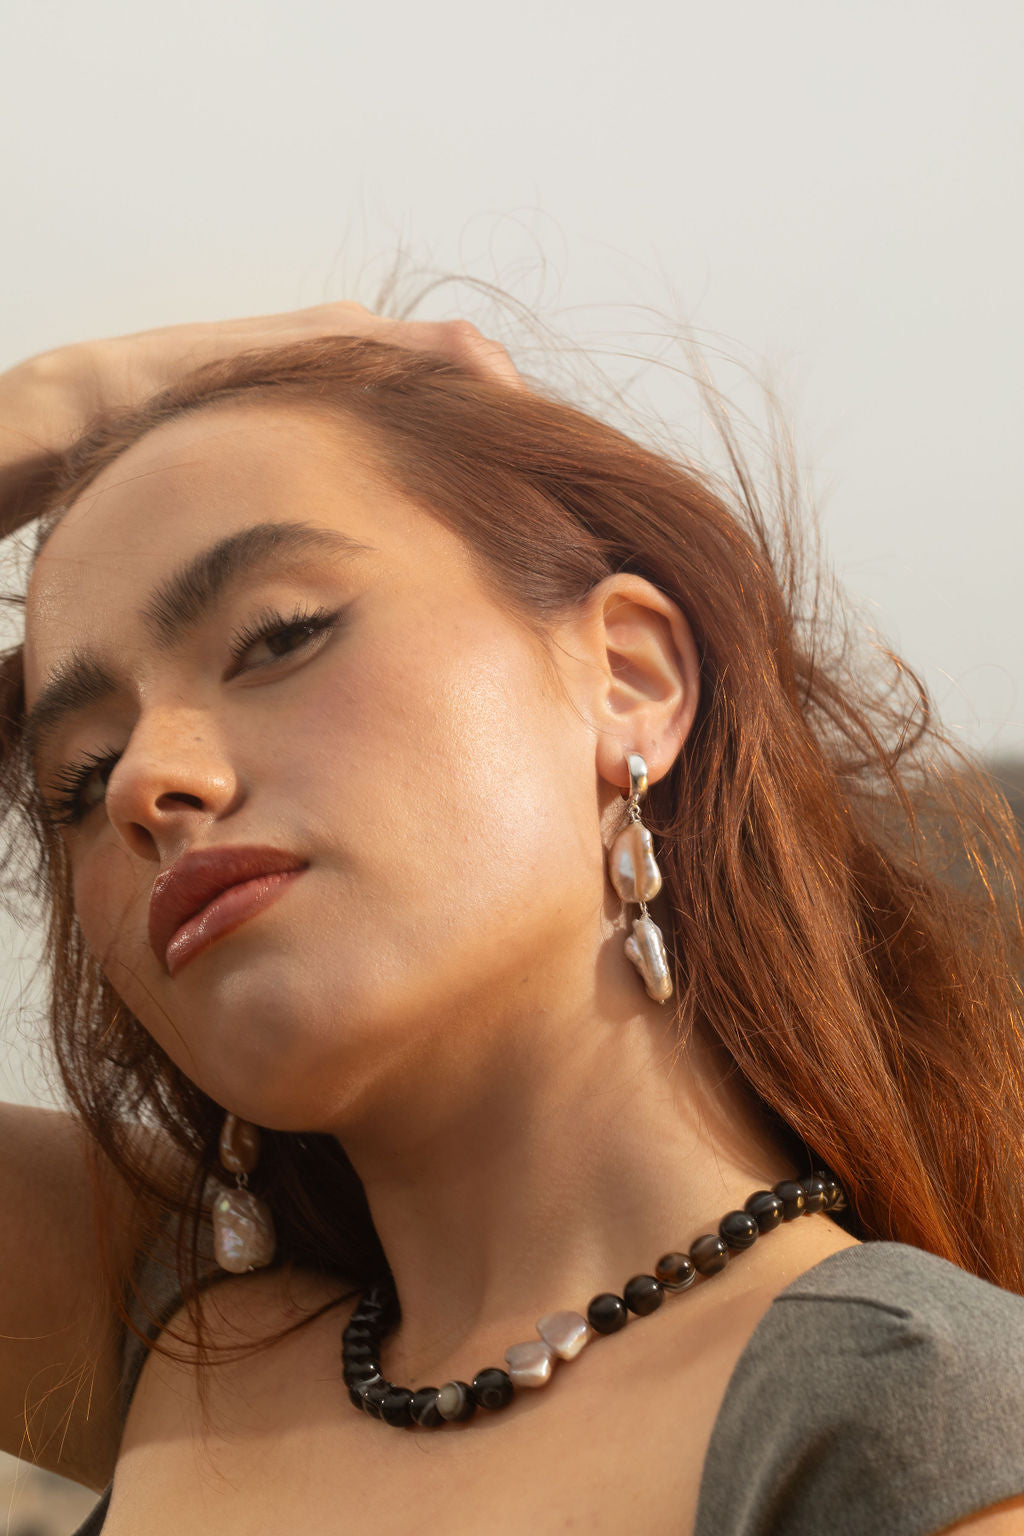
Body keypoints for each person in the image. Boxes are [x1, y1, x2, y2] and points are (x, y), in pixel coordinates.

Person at [0, 301, 1022, 1536]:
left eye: (278, 638)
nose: (144, 784)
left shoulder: (902, 1408)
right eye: (78, 775)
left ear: (629, 678)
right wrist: (66, 399)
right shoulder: (183, 1342)